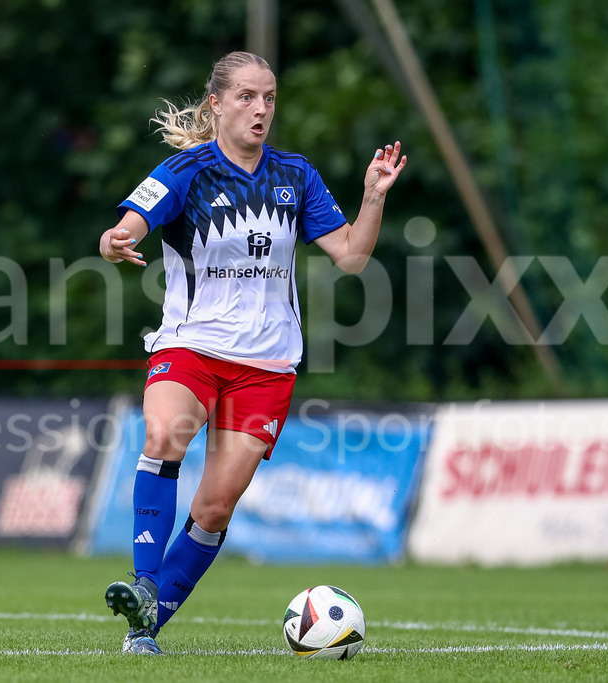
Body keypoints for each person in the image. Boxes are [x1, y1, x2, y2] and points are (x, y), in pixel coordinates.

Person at [97, 50, 406, 655]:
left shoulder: (296, 175)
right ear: (216, 103)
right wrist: (116, 242)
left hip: (265, 367)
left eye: (268, 97)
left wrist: (373, 197)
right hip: (191, 347)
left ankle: (144, 626)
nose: (260, 109)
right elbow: (130, 225)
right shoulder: (186, 171)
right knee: (163, 438)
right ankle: (142, 581)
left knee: (213, 509)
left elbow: (351, 256)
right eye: (246, 97)